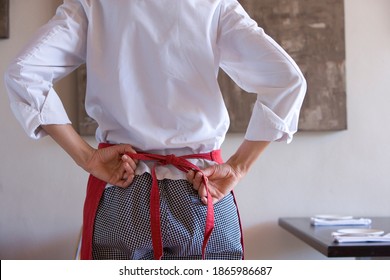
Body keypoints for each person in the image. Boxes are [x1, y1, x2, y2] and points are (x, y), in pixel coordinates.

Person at [4, 0, 306, 260]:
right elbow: (288, 80)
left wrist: (87, 158)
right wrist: (238, 167)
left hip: (124, 190)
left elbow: (24, 72)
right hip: (201, 190)